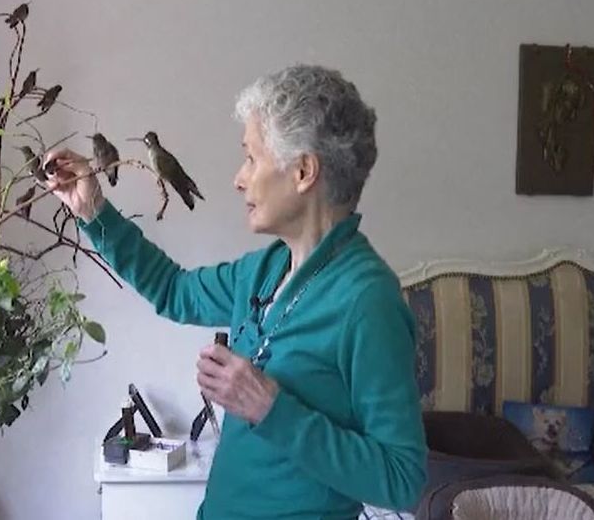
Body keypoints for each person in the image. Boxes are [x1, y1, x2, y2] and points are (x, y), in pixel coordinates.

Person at [45, 64, 427, 519]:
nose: (239, 179)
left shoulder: (368, 302)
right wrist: (93, 211)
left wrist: (271, 408)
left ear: (303, 171)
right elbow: (174, 290)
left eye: (251, 157)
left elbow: (402, 479)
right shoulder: (263, 270)